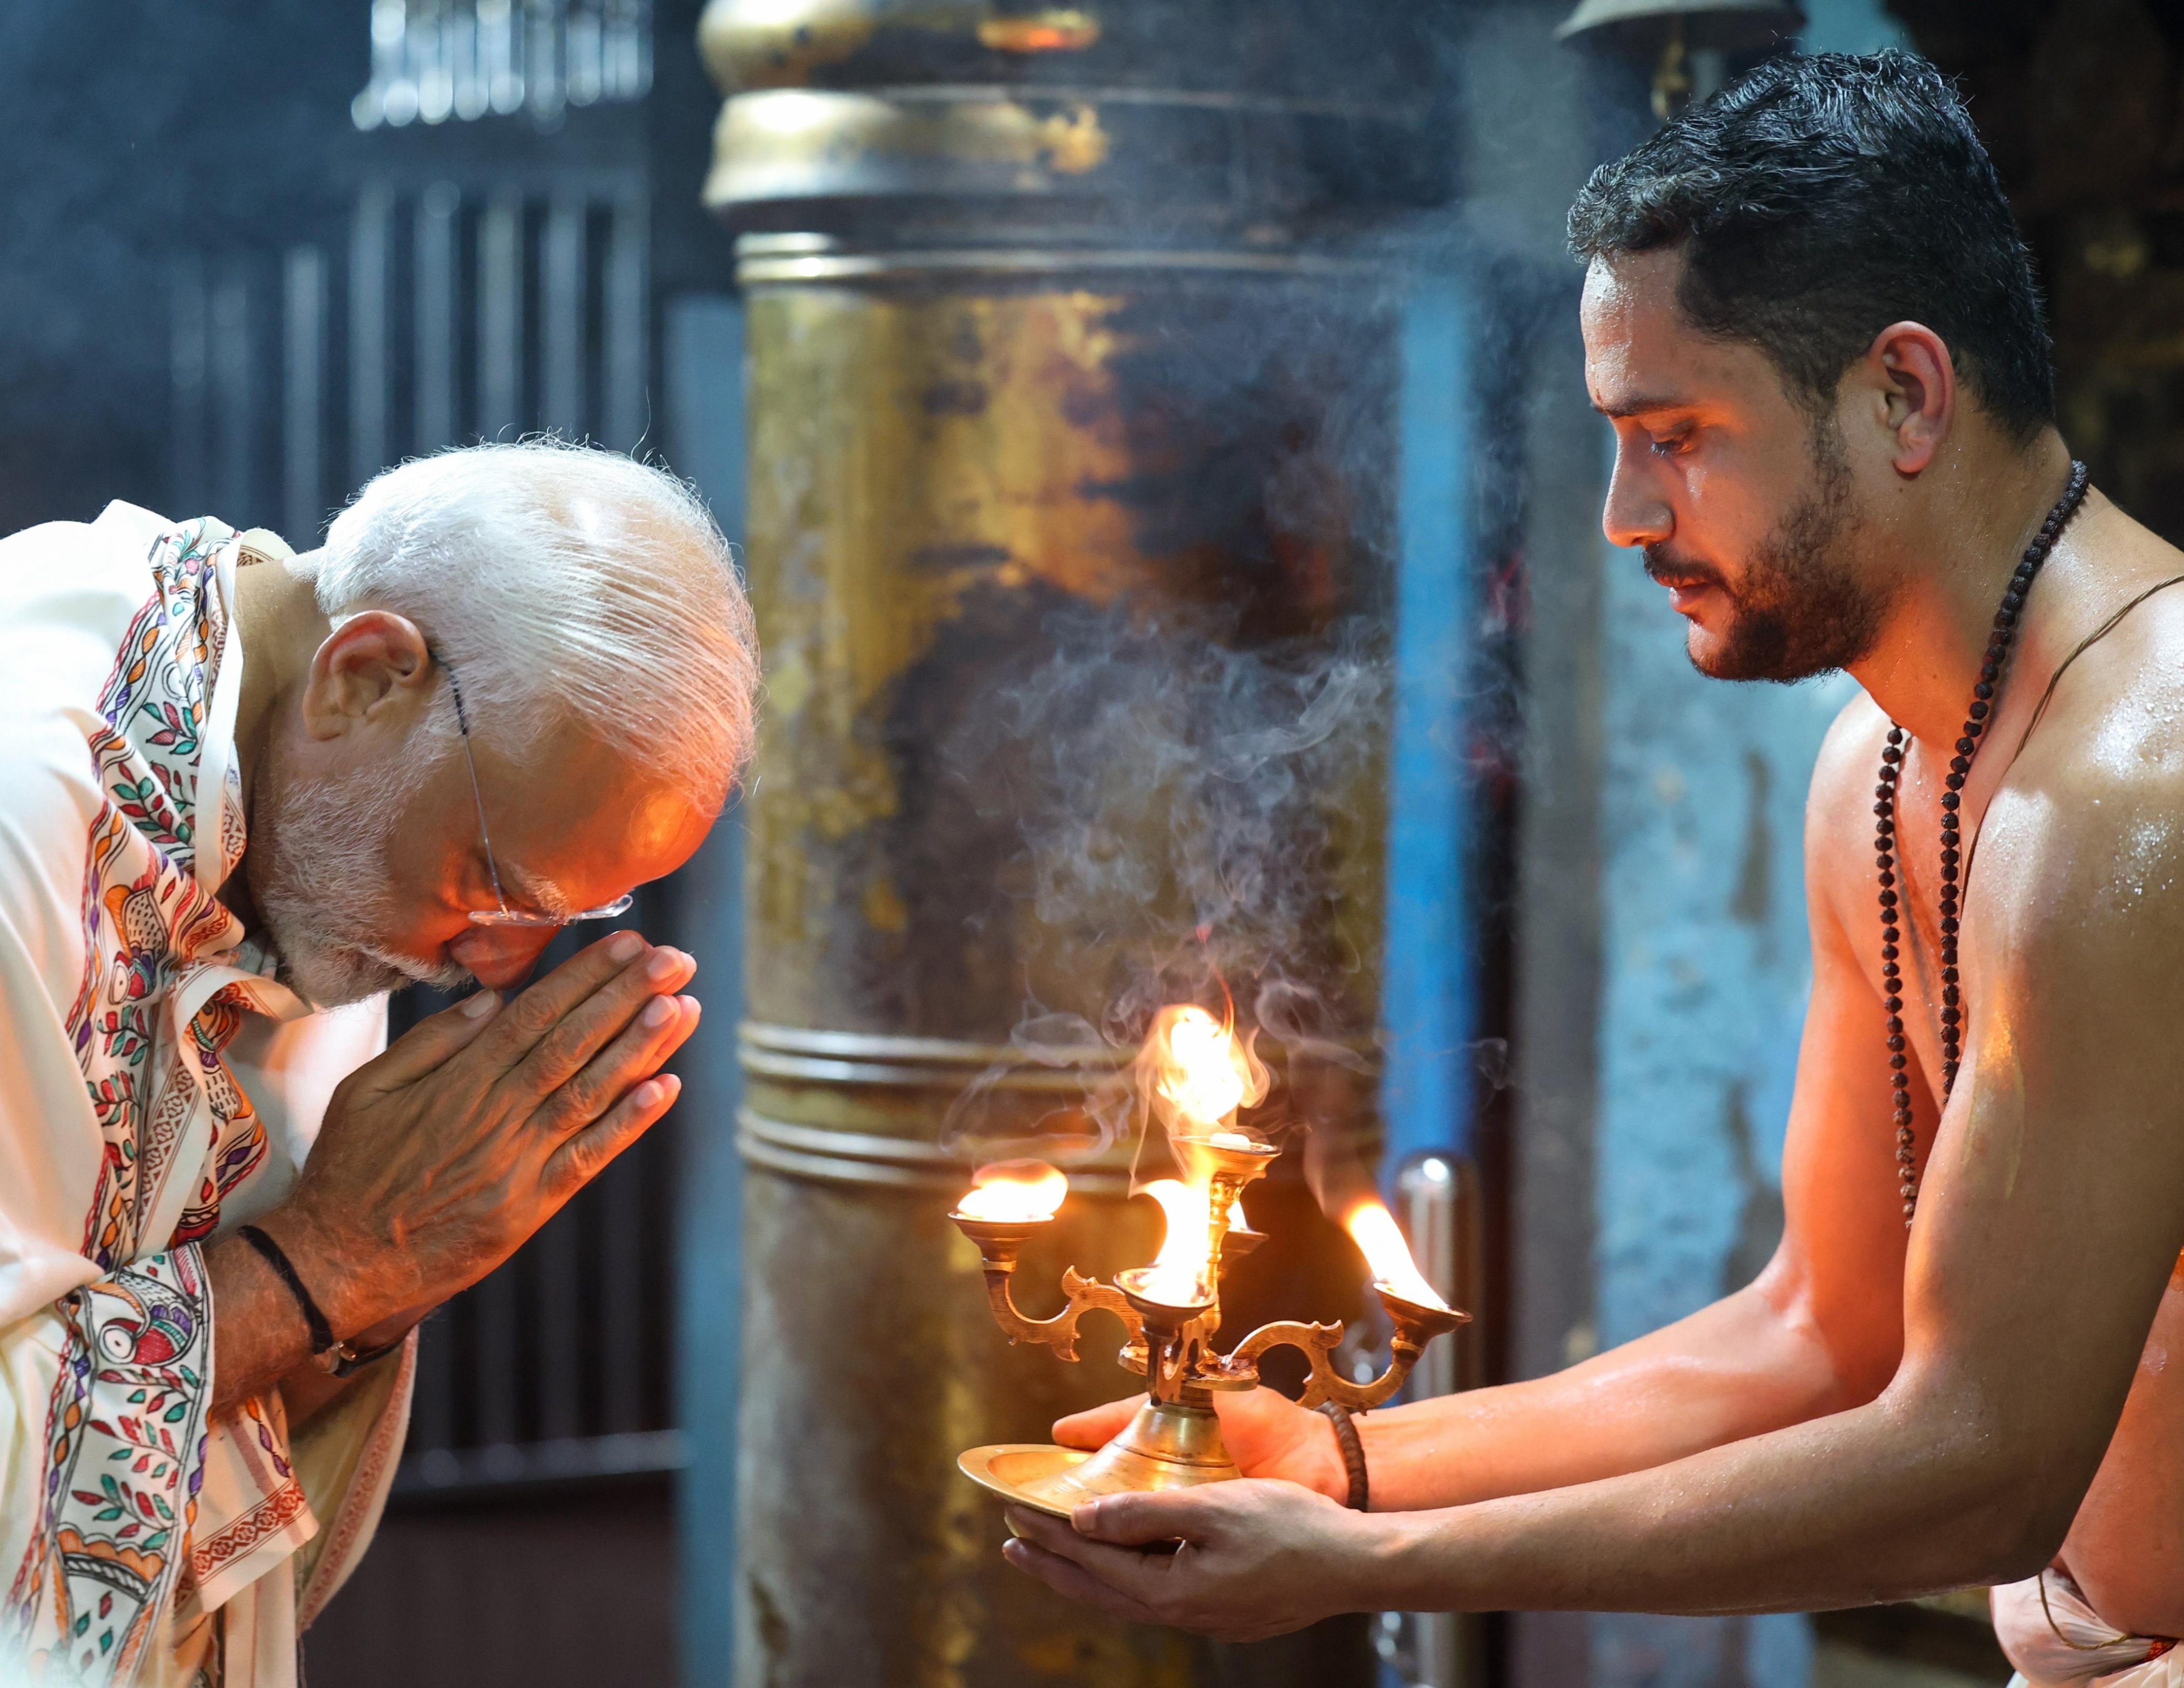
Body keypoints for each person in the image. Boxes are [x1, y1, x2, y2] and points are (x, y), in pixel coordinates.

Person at [1001, 51, 2184, 1686]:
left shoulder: (2140, 786)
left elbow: (1984, 1467)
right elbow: (1820, 1331)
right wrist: (1338, 1462)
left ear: (1905, 395)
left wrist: (1373, 1562)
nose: (1627, 515)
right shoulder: (1880, 769)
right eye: (1621, 442)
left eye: (1681, 434)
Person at [0, 438, 757, 1687]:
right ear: (365, 673)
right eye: (499, 883)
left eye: (567, 916)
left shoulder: (292, 782)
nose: (497, 959)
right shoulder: (34, 810)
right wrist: (332, 1255)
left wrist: (380, 1278)